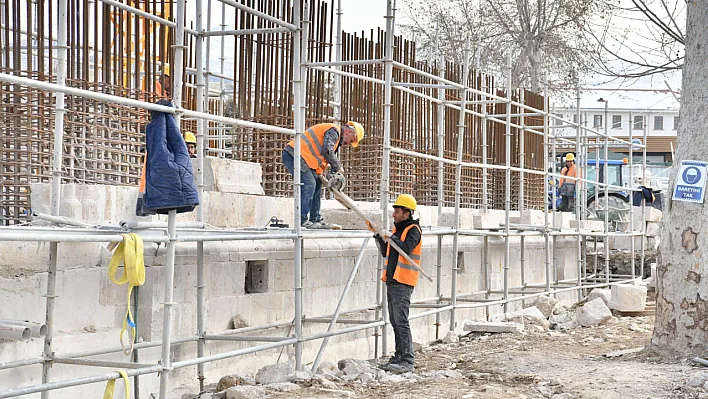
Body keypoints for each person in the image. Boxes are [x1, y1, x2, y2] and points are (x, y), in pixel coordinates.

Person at [370, 194, 422, 374]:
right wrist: (378, 236)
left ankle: (407, 359)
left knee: (401, 320)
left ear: (407, 212)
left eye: (397, 211)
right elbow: (387, 252)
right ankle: (399, 356)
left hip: (403, 281)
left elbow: (406, 249)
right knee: (394, 320)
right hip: (392, 280)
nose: (394, 214)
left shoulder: (413, 229)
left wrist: (390, 237)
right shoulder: (396, 230)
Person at [281, 121, 364, 228]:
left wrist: (330, 172)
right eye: (351, 140)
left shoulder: (336, 138)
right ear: (349, 132)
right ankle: (301, 221)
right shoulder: (334, 131)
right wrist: (338, 167)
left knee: (317, 183)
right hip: (294, 154)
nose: (348, 144)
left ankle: (315, 219)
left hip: (305, 158)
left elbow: (323, 155)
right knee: (309, 184)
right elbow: (327, 150)